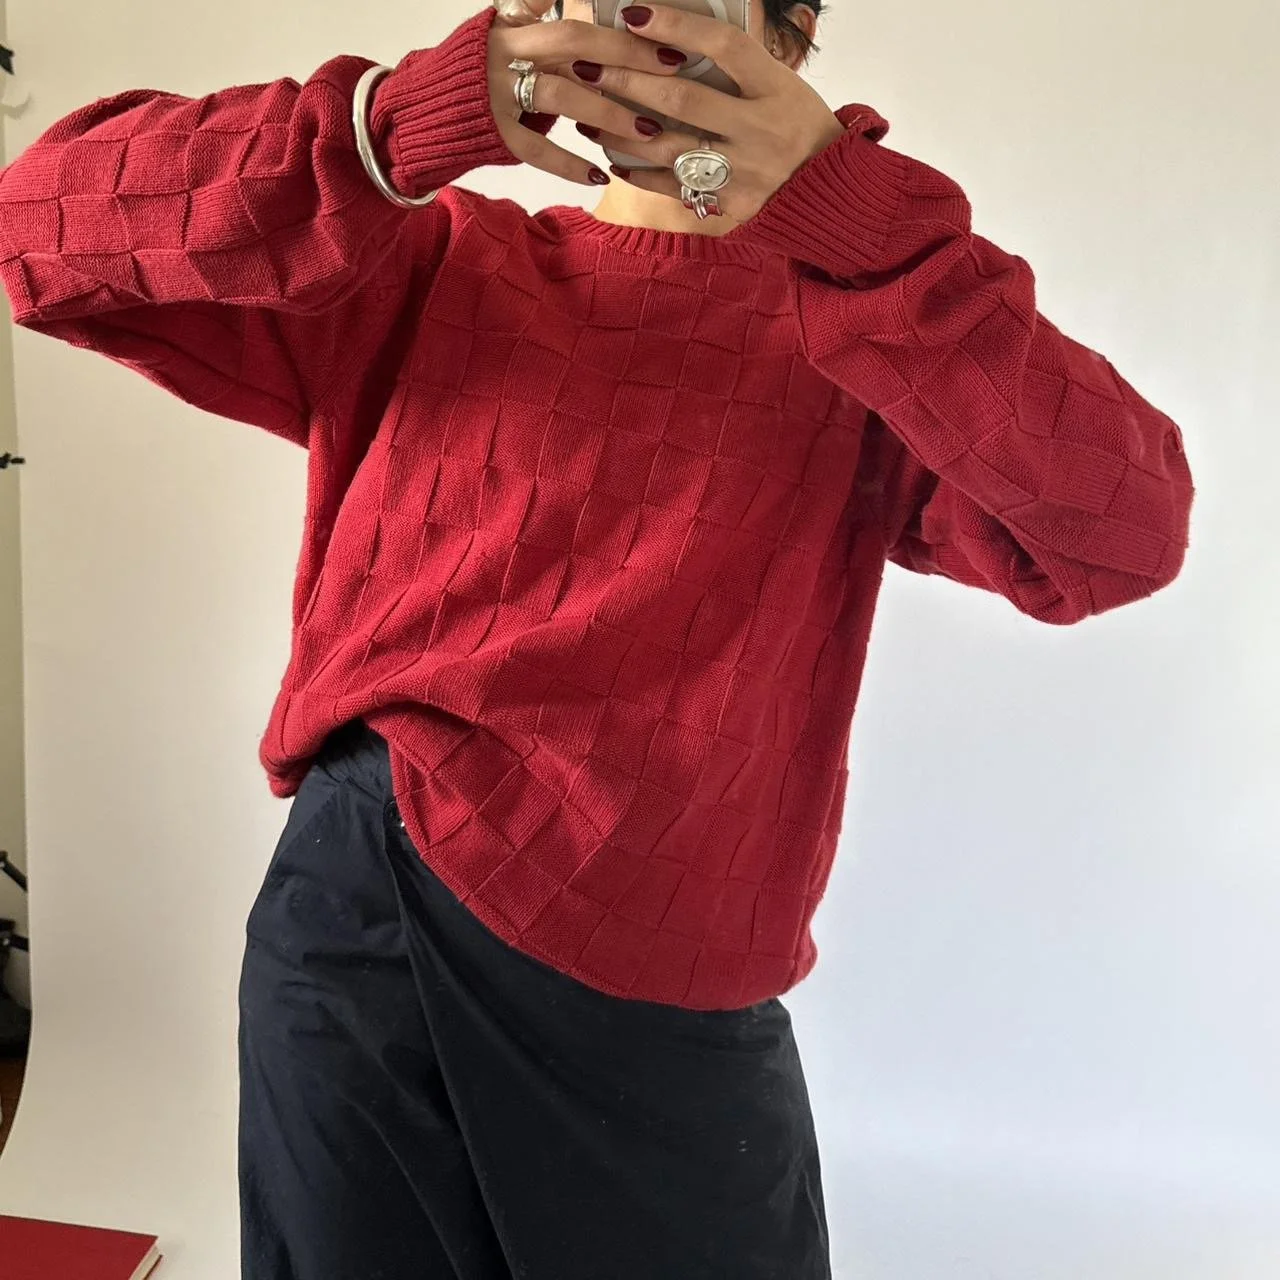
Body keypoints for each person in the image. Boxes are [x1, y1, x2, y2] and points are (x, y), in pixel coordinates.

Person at [0, 0, 1195, 1275]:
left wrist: (847, 217)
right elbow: (38, 231)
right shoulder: (435, 261)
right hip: (365, 904)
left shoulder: (867, 320)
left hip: (675, 957)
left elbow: (1122, 534)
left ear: (785, 30)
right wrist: (390, 124)